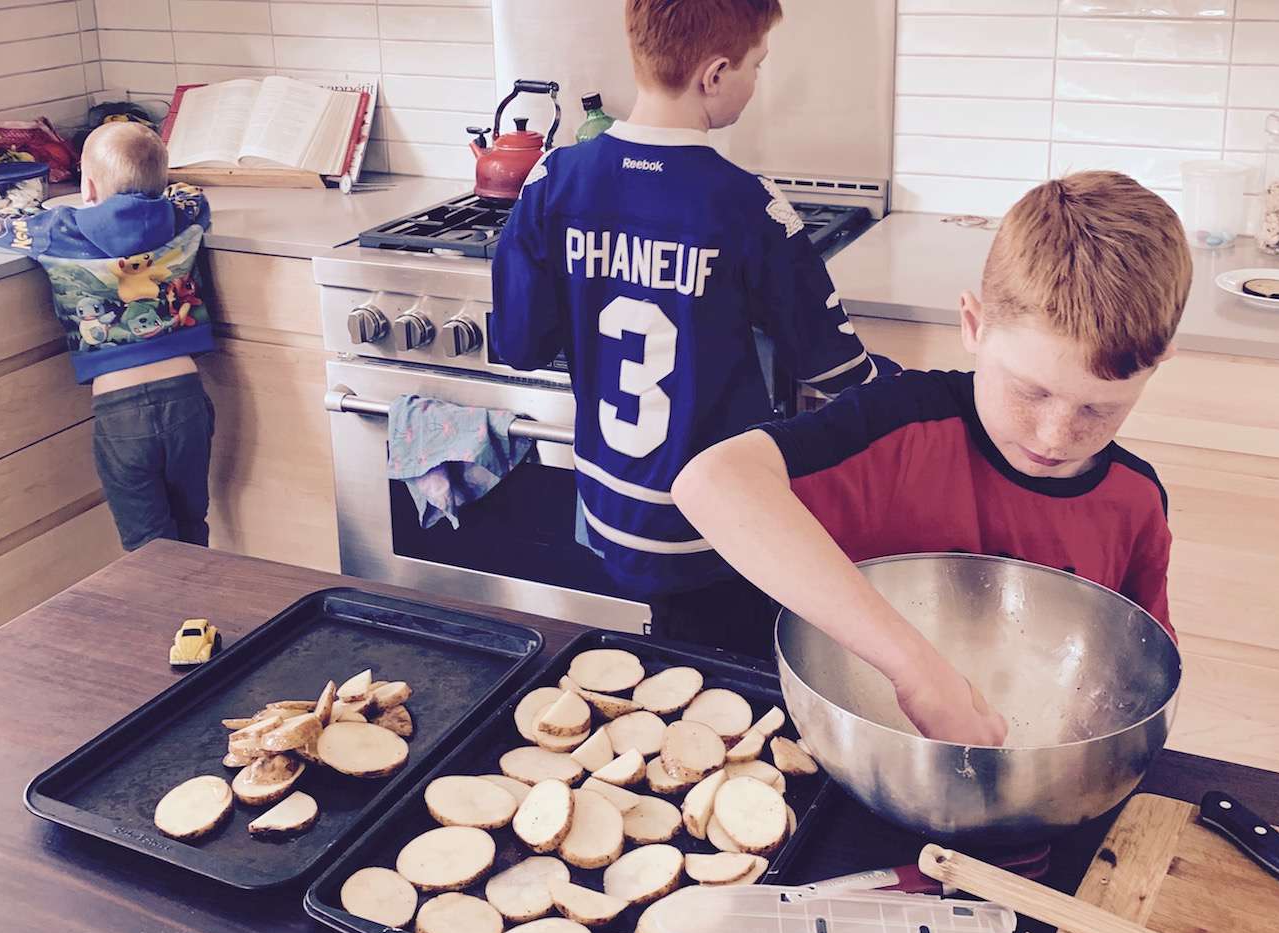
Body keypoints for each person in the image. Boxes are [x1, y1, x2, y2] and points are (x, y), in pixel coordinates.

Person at [673, 171, 1191, 745]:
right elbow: (710, 481)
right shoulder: (899, 425)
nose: (1055, 436)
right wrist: (914, 668)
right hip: (845, 749)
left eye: (1100, 410)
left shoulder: (1134, 503)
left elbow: (1132, 684)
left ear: (1159, 366)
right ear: (973, 326)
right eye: (1030, 392)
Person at [491, 0, 890, 658]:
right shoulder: (747, 204)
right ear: (715, 74)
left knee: (652, 668)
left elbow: (517, 344)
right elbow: (832, 369)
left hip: (604, 508)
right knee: (719, 682)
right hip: (711, 527)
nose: (758, 82)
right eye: (757, 66)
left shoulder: (553, 179)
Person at [0, 121, 217, 552]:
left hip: (121, 413)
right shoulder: (183, 216)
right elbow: (194, 195)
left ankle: (163, 618)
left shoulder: (58, 231)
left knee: (148, 545)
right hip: (186, 401)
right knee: (192, 524)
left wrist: (32, 211)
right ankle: (201, 616)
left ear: (87, 186)